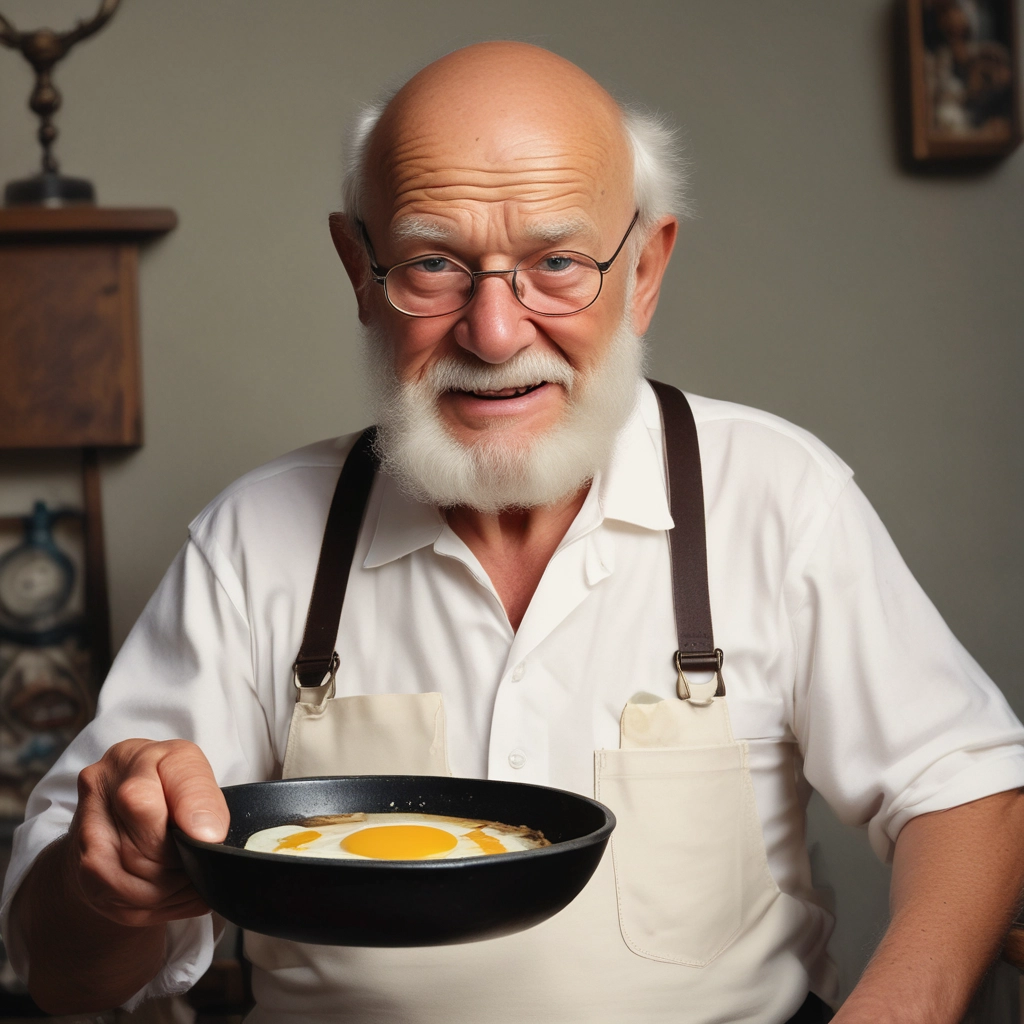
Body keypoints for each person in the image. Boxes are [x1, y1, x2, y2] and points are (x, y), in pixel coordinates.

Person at [3, 41, 1024, 1024]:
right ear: (360, 270)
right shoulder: (251, 540)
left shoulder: (778, 494)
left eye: (558, 262)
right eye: (432, 262)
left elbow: (968, 792)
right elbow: (59, 972)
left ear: (646, 268)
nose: (494, 333)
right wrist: (107, 884)